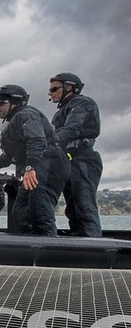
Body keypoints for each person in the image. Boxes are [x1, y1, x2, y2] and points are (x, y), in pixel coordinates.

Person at [0, 84, 69, 236]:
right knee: (21, 211)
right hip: (34, 167)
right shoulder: (13, 121)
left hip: (46, 164)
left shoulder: (26, 115)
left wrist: (30, 168)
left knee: (40, 210)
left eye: (1, 103)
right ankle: (31, 244)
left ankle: (47, 246)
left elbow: (37, 140)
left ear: (15, 102)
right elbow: (11, 153)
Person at [49, 72, 103, 237]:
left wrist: (50, 145)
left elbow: (72, 128)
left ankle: (93, 244)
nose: (50, 93)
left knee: (84, 202)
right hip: (68, 161)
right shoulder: (61, 112)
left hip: (83, 159)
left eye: (54, 89)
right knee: (72, 205)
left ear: (69, 87)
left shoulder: (81, 103)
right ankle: (80, 236)